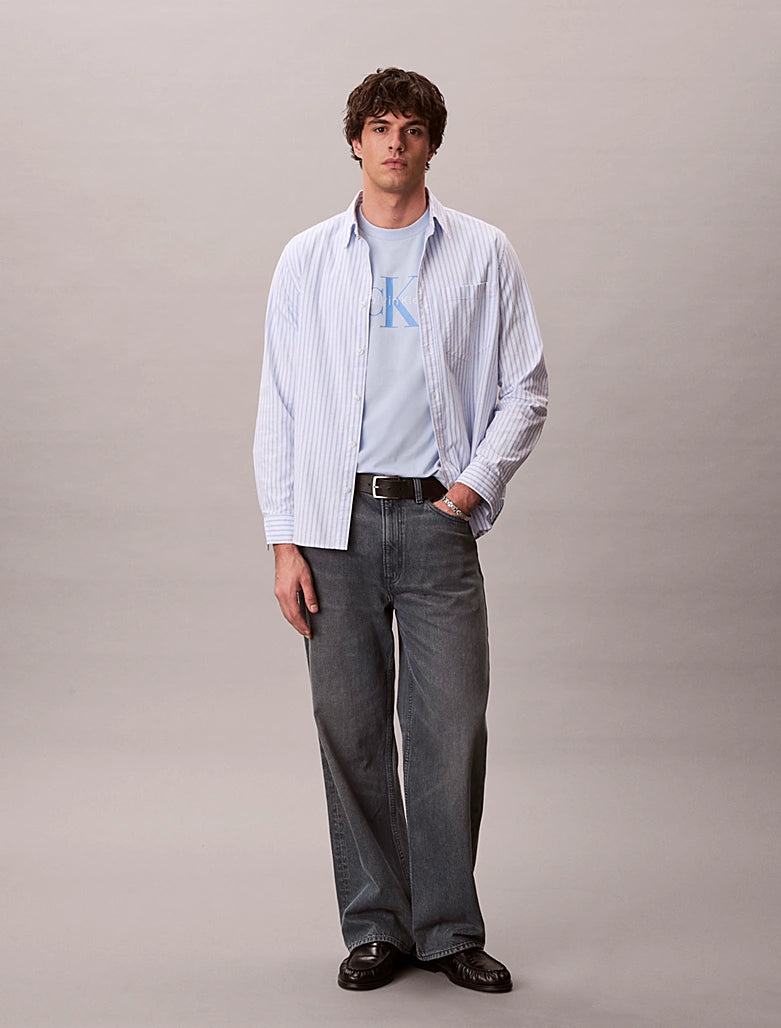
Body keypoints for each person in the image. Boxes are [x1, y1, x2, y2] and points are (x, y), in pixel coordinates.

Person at [253, 67, 548, 994]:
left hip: (434, 521)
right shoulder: (306, 258)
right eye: (379, 126)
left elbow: (525, 386)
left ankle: (449, 927)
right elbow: (280, 406)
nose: (394, 142)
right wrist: (284, 541)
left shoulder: (482, 252)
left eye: (411, 128)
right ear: (355, 141)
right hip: (330, 525)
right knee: (350, 730)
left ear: (430, 145)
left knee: (449, 728)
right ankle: (377, 925)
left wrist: (468, 489)